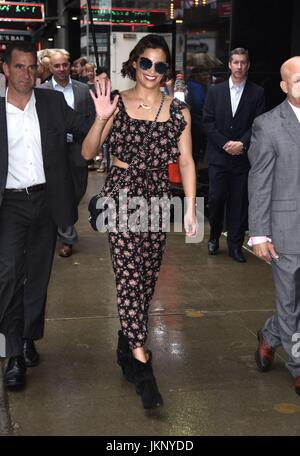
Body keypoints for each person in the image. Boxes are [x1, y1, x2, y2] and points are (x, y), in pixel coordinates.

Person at [82, 34, 197, 409]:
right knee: (129, 274)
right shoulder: (116, 103)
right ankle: (140, 359)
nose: (151, 71)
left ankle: (125, 341)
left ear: (167, 71)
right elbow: (87, 151)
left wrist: (191, 209)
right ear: (134, 63)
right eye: (145, 63)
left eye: (160, 66)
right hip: (122, 192)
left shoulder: (179, 112)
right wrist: (101, 119)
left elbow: (186, 162)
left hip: (158, 196)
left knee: (146, 279)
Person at [0, 42, 93, 389]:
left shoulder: (53, 103)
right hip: (9, 204)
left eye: (30, 68)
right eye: (18, 67)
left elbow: (85, 127)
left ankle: (25, 340)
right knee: (9, 274)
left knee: (37, 276)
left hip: (45, 201)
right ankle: (13, 352)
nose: (25, 74)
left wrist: (102, 113)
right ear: (6, 70)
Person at [248, 56, 300, 396]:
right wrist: (259, 234)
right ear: (284, 86)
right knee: (290, 301)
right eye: (299, 80)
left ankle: (269, 335)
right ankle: (298, 366)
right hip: (286, 230)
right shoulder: (268, 125)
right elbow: (260, 180)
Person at [202, 48, 265, 262]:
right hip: (218, 158)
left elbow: (258, 124)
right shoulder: (215, 91)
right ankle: (213, 236)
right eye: (235, 62)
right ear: (229, 64)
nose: (239, 66)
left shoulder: (257, 93)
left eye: (243, 62)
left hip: (243, 159)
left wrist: (242, 144)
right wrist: (225, 144)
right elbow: (207, 122)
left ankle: (235, 246)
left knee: (239, 203)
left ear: (248, 65)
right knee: (216, 199)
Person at [42, 49, 95, 258]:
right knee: (59, 191)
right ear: (50, 67)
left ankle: (61, 223)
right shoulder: (41, 90)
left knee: (76, 192)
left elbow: (91, 119)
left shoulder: (83, 90)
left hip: (78, 149)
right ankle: (67, 237)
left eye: (65, 64)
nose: (62, 69)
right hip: (54, 151)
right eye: (57, 66)